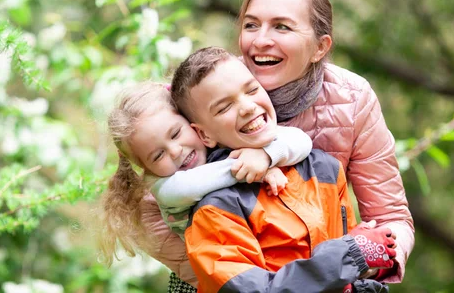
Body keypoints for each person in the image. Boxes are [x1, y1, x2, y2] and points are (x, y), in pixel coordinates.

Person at [236, 0, 414, 282]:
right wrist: (228, 273)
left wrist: (361, 259)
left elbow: (392, 218)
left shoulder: (352, 99)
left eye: (281, 27)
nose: (260, 40)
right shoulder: (208, 89)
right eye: (251, 25)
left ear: (320, 47)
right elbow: (154, 203)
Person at [170, 47, 396, 293]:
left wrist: (368, 270)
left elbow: (350, 270)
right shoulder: (216, 209)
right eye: (224, 107)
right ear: (204, 134)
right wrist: (350, 256)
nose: (246, 107)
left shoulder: (324, 169)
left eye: (252, 89)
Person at [99, 81, 314, 261]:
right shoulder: (165, 188)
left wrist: (265, 156)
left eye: (175, 134)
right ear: (145, 169)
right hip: (236, 266)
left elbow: (302, 140)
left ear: (194, 123)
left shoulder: (220, 144)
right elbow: (191, 185)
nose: (175, 151)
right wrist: (257, 168)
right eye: (157, 155)